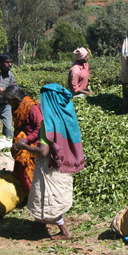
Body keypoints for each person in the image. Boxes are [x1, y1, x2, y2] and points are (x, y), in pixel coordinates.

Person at [14, 83, 84, 240]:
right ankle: (40, 221)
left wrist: (23, 145)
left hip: (50, 165)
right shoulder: (67, 117)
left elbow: (43, 151)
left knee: (50, 196)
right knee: (43, 192)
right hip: (63, 163)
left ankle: (64, 231)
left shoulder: (48, 124)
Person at [3, 85, 43, 194]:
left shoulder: (30, 107)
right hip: (22, 140)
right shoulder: (15, 106)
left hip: (33, 143)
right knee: (19, 167)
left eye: (9, 100)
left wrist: (25, 141)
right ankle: (24, 193)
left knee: (26, 168)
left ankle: (33, 196)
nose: (8, 103)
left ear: (16, 99)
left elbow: (39, 128)